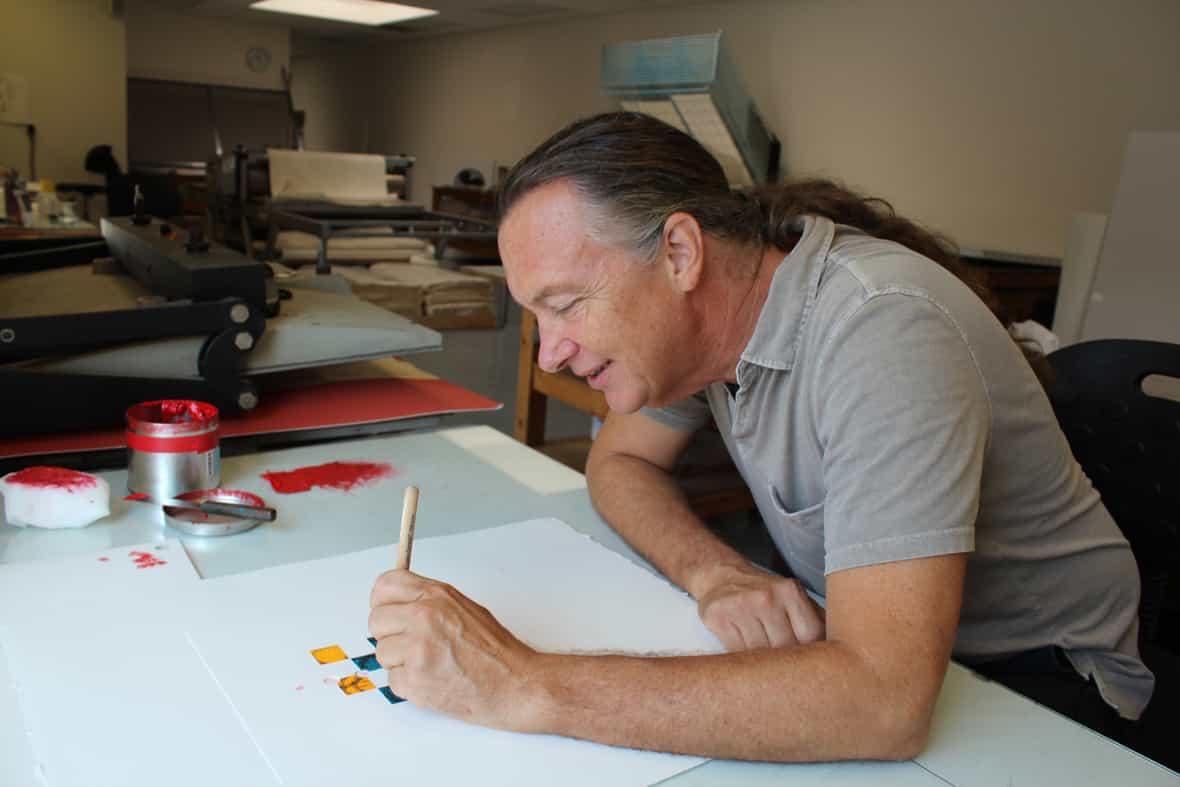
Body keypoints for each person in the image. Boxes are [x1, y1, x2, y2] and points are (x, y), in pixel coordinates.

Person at [368, 111, 1154, 762]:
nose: (550, 352)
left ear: (680, 253)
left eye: (567, 303)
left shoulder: (881, 331)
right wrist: (716, 573)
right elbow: (620, 460)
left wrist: (524, 683)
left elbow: (883, 703)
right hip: (901, 659)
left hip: (1042, 691)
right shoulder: (704, 326)